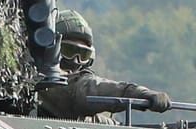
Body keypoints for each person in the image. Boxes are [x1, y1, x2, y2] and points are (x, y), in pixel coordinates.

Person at [37, 9, 172, 120]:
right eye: (69, 51)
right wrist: (141, 94)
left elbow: (101, 122)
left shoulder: (78, 106)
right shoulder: (48, 86)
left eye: (83, 54)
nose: (76, 60)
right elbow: (86, 89)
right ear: (53, 50)